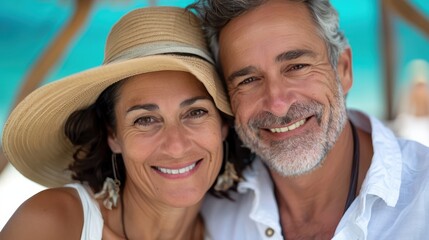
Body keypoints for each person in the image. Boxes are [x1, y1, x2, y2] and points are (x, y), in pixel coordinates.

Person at [187, 0, 429, 239]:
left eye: (297, 66)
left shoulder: (422, 199)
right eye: (248, 80)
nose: (278, 105)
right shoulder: (215, 215)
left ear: (343, 69)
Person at [0, 6, 241, 240]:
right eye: (145, 120)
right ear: (113, 135)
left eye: (195, 113)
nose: (176, 145)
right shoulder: (54, 222)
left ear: (223, 124)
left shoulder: (242, 229)